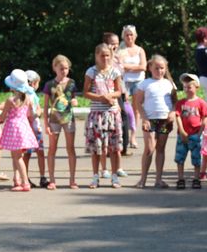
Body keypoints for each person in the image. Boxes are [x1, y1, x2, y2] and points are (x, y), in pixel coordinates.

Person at [84, 43, 124, 189]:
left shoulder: (115, 72)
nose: (105, 58)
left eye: (107, 55)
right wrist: (100, 97)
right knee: (96, 148)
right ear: (96, 56)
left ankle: (114, 177)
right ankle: (95, 176)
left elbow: (119, 91)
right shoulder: (91, 72)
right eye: (102, 55)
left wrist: (109, 95)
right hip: (97, 115)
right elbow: (86, 92)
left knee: (113, 148)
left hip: (112, 114)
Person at [134, 55, 177, 189]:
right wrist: (144, 118)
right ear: (150, 68)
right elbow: (137, 103)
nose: (159, 70)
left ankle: (158, 179)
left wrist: (172, 112)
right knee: (150, 148)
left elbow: (175, 102)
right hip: (150, 120)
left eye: (162, 68)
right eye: (156, 68)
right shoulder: (145, 83)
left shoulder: (169, 83)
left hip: (165, 120)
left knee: (161, 148)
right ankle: (143, 179)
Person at [0, 69, 39, 191]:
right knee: (16, 155)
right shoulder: (28, 99)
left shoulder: (10, 100)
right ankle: (17, 180)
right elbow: (31, 114)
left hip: (13, 129)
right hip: (24, 128)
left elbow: (3, 116)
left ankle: (25, 182)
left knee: (17, 157)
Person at [43, 55, 79, 190]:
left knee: (71, 148)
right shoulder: (49, 85)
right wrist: (45, 123)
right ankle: (52, 179)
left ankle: (72, 179)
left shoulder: (72, 83)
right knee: (52, 148)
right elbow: (46, 105)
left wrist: (75, 101)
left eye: (66, 68)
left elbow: (73, 98)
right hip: (54, 119)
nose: (64, 71)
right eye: (61, 68)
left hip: (68, 118)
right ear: (54, 68)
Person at [173, 73, 207, 189]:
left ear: (196, 87)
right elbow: (177, 116)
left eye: (189, 87)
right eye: (184, 87)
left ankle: (196, 178)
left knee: (196, 158)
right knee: (180, 158)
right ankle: (180, 178)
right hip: (183, 135)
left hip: (195, 135)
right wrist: (182, 131)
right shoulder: (180, 103)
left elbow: (204, 118)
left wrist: (199, 133)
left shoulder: (201, 103)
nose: (187, 89)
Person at [118, 25, 146, 150]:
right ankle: (123, 133)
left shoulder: (140, 50)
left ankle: (133, 136)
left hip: (138, 82)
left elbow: (143, 67)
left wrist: (128, 66)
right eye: (127, 35)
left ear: (135, 36)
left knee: (136, 109)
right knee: (125, 109)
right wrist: (133, 67)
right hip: (125, 82)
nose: (129, 37)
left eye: (131, 35)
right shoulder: (120, 50)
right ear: (123, 36)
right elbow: (120, 66)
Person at [23, 70, 47, 188]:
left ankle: (42, 177)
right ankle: (25, 177)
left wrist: (38, 112)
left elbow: (38, 109)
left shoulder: (33, 95)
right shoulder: (24, 95)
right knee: (29, 153)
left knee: (39, 152)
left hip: (34, 127)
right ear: (33, 83)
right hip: (29, 128)